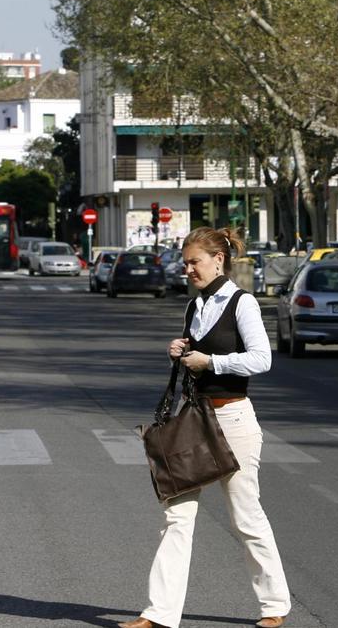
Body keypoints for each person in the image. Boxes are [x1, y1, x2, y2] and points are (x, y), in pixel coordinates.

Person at [119, 227, 291, 628]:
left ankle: (273, 605)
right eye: (186, 262)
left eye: (194, 261)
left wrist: (212, 362)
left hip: (233, 419)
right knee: (176, 516)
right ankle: (159, 614)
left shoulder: (242, 303)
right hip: (194, 418)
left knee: (246, 516)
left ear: (219, 259)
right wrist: (179, 351)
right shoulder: (194, 306)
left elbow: (262, 359)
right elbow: (194, 352)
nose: (188, 269)